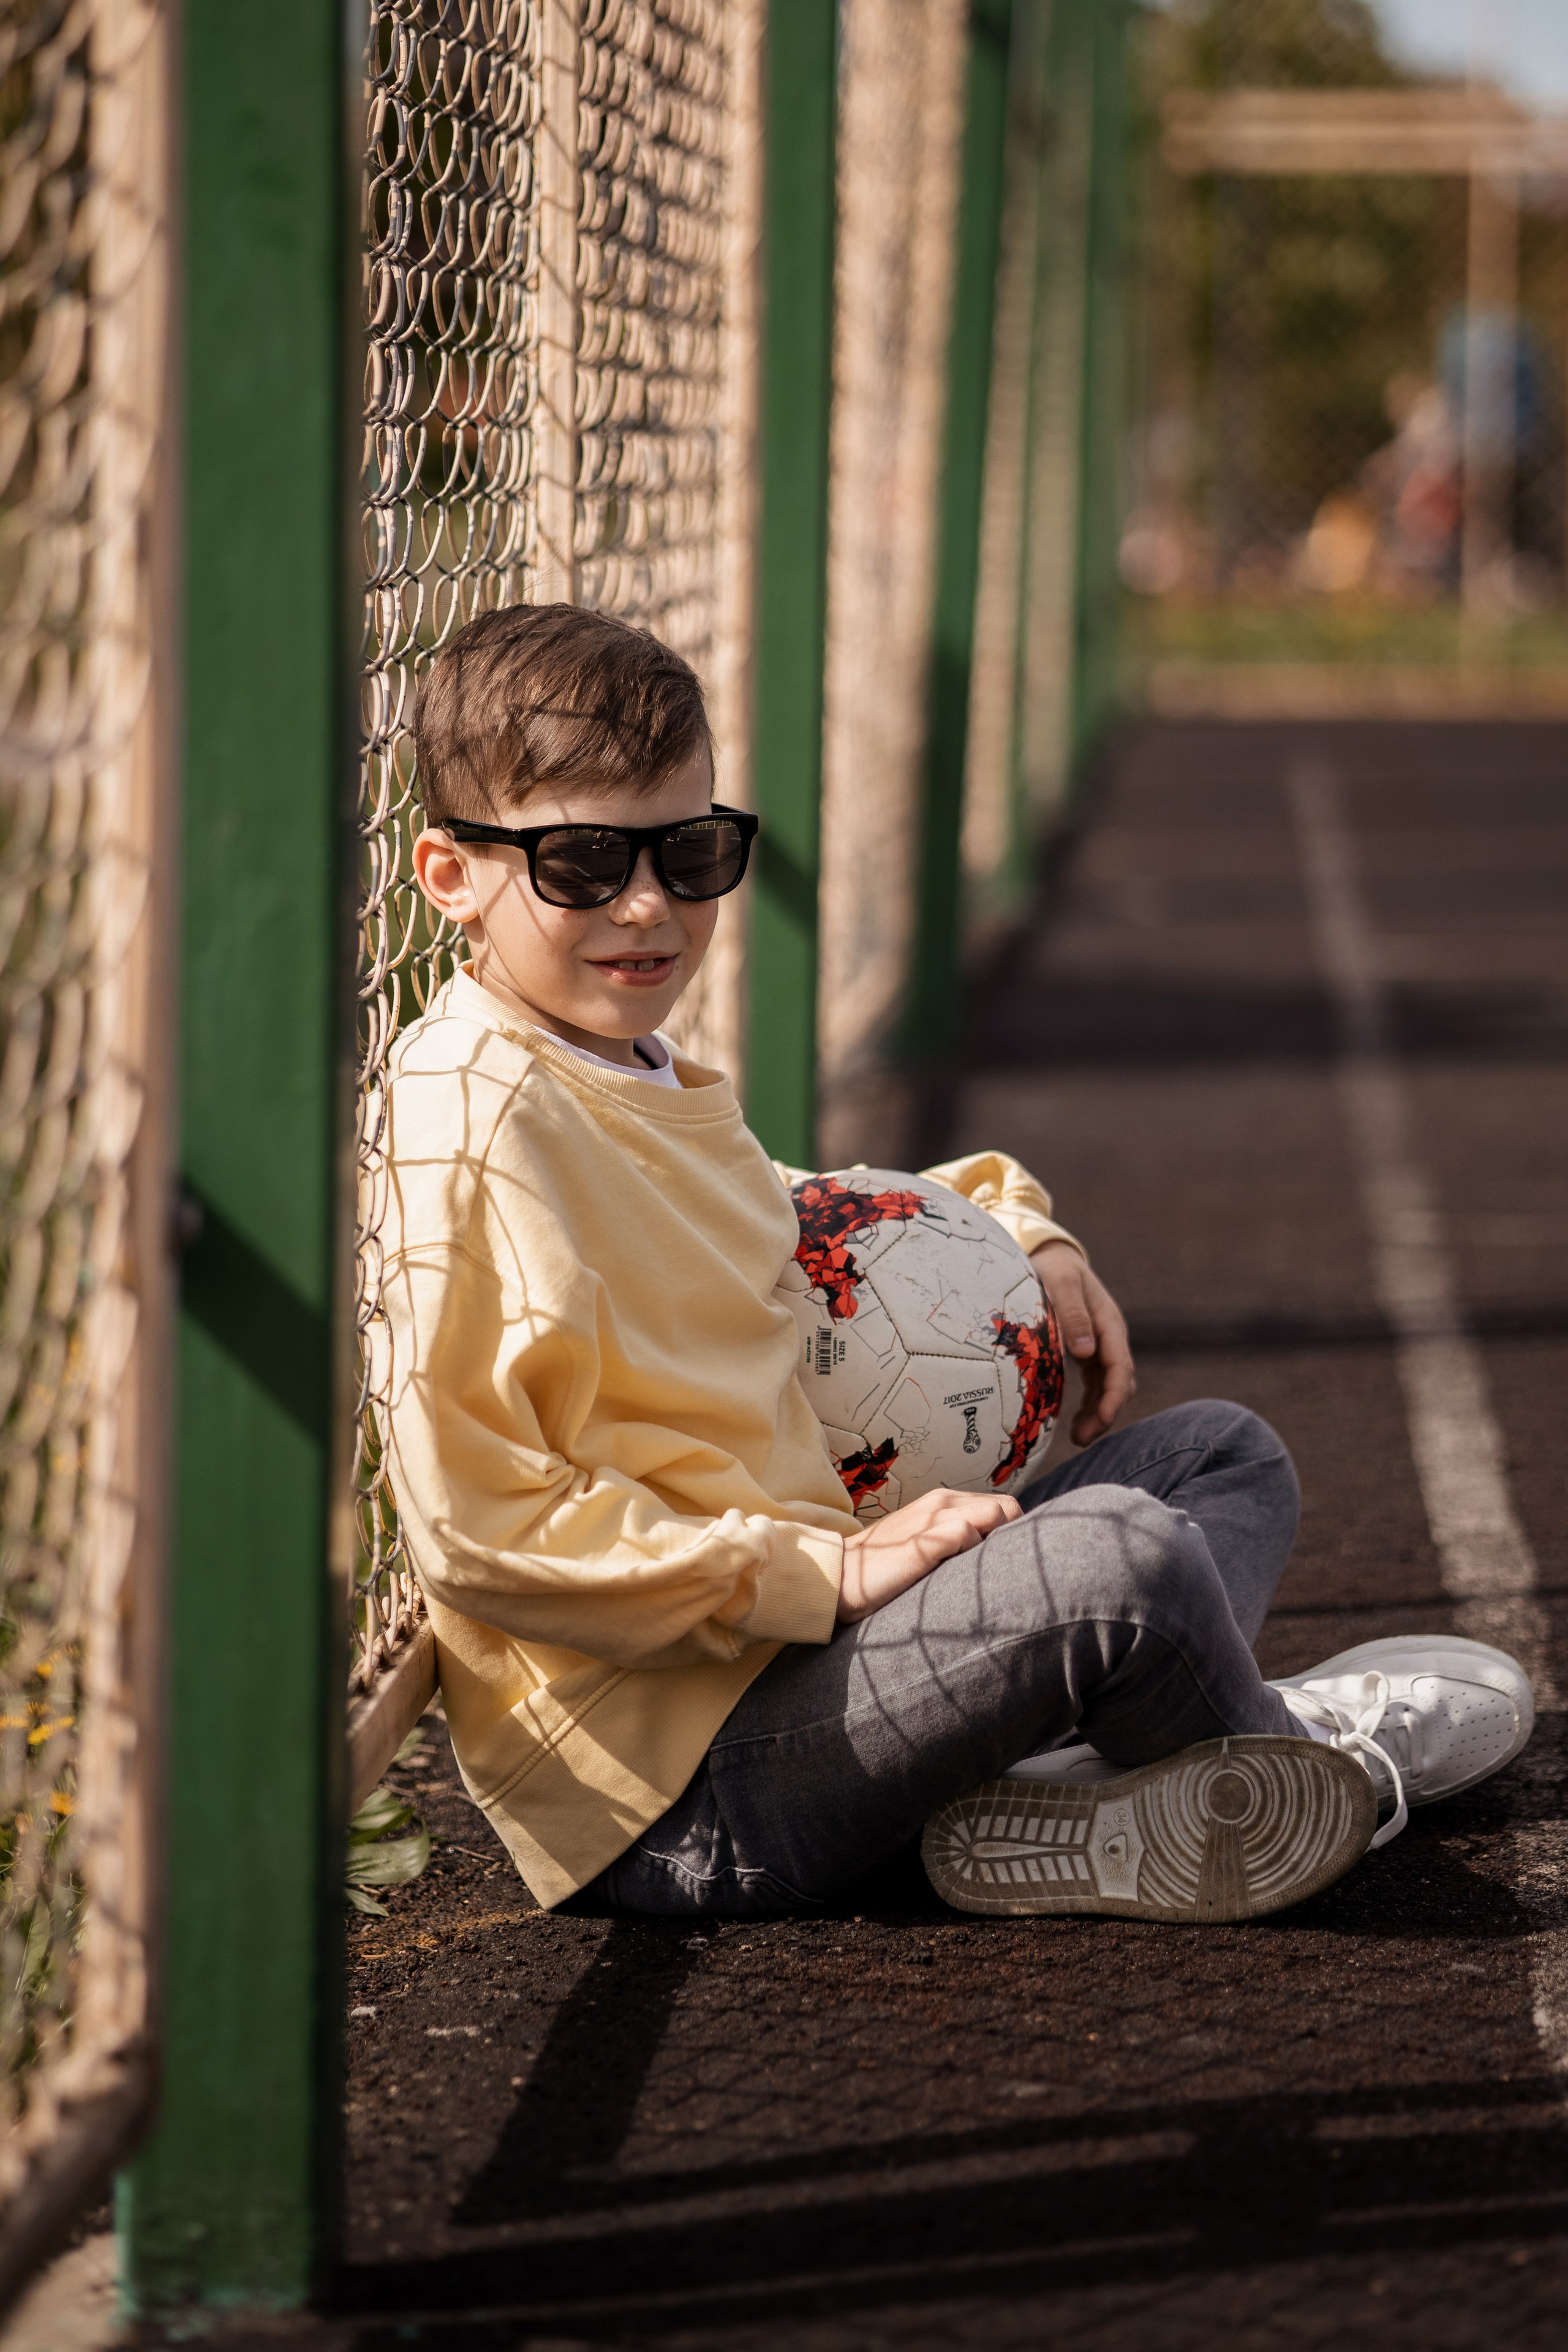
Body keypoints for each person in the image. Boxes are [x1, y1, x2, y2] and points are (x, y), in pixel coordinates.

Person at [377, 603, 1532, 1924]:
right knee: (1126, 1561)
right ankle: (1291, 1766)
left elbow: (795, 1215)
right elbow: (481, 1538)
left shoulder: (618, 1060)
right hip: (680, 1789)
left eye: (688, 851)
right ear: (450, 874)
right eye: (580, 863)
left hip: (799, 1647)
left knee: (1217, 1457)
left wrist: (1019, 1226)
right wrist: (823, 1576)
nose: (648, 905)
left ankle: (1077, 1786)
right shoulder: (474, 1123)